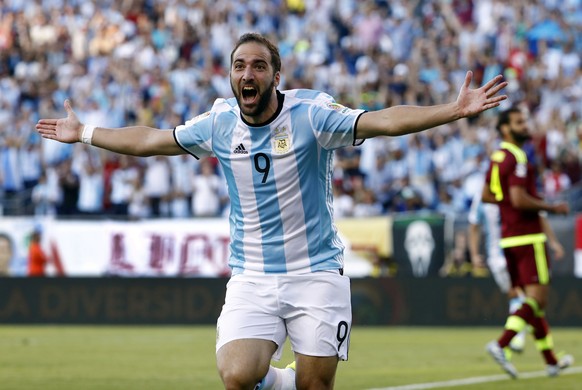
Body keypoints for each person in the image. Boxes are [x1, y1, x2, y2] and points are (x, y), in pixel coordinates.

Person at [36, 32, 508, 390]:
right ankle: (274, 378)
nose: (248, 74)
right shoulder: (219, 122)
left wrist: (451, 109)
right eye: (240, 66)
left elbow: (381, 121)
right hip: (253, 273)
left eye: (259, 66)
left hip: (317, 271)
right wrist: (85, 132)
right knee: (237, 376)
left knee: (313, 385)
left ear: (275, 77)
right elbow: (153, 140)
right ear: (230, 76)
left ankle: (288, 379)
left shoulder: (311, 115)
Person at [482, 107, 574, 378]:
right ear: (505, 129)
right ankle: (502, 344)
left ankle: (551, 361)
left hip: (509, 238)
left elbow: (487, 195)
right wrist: (552, 207)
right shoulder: (518, 157)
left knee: (533, 304)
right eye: (519, 122)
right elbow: (520, 199)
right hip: (528, 236)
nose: (526, 125)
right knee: (537, 299)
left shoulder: (497, 157)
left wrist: (509, 205)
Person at [468, 188, 527, 352]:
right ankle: (514, 340)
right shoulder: (513, 190)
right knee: (524, 296)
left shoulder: (482, 194)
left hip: (496, 257)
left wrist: (474, 255)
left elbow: (473, 226)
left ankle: (512, 344)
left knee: (518, 296)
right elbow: (473, 226)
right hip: (510, 253)